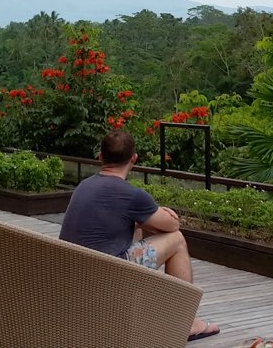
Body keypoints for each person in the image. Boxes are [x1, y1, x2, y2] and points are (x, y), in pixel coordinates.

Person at [60, 129, 220, 343]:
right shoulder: (132, 195)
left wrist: (142, 217)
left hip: (70, 276)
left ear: (100, 157)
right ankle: (185, 322)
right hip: (108, 279)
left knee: (137, 223)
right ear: (134, 159)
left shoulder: (83, 186)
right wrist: (159, 212)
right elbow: (172, 225)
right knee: (178, 240)